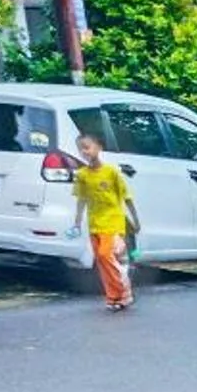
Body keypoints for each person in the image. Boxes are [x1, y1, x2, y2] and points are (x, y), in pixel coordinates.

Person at [68, 132, 135, 311]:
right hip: (94, 224)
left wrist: (135, 220)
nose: (84, 151)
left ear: (99, 147)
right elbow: (81, 200)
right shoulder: (82, 175)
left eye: (87, 147)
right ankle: (113, 297)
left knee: (107, 255)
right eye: (81, 149)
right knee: (102, 261)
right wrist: (76, 222)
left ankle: (123, 292)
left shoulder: (111, 171)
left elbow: (126, 197)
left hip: (113, 223)